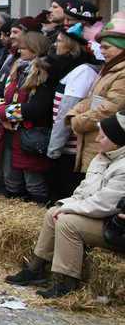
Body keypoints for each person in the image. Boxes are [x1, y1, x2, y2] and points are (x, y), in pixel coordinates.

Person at [6, 112, 125, 298]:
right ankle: (36, 269)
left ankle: (69, 284)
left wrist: (69, 209)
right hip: (97, 215)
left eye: (103, 136)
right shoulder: (101, 158)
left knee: (68, 223)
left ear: (116, 141)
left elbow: (106, 203)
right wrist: (65, 205)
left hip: (114, 225)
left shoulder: (123, 167)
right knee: (53, 212)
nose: (98, 138)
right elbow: (83, 190)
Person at [0, 32, 54, 203]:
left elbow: (38, 108)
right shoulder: (15, 68)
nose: (19, 52)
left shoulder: (44, 73)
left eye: (23, 49)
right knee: (11, 180)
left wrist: (4, 114)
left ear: (35, 50)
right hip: (9, 134)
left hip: (30, 136)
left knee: (34, 182)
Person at [66, 16, 125, 173]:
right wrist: (73, 113)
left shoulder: (122, 73)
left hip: (105, 141)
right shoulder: (109, 68)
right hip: (93, 140)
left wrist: (79, 121)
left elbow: (111, 107)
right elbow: (92, 98)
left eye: (107, 47)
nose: (102, 51)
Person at [47, 24, 99, 199]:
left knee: (66, 192)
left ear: (70, 45)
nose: (55, 44)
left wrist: (53, 149)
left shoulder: (82, 71)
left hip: (70, 149)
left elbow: (66, 111)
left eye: (60, 41)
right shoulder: (67, 67)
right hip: (64, 147)